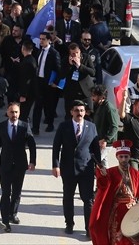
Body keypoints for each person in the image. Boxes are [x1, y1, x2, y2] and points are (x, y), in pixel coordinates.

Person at [89, 140, 139, 245]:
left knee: (132, 238)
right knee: (116, 238)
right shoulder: (111, 172)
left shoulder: (136, 175)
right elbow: (103, 186)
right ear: (117, 157)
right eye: (121, 157)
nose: (124, 159)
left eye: (126, 156)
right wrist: (102, 174)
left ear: (129, 157)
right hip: (116, 212)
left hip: (132, 211)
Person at [51, 99, 100, 236]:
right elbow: (56, 146)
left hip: (86, 168)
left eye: (82, 110)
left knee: (88, 199)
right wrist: (55, 165)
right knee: (68, 197)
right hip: (68, 168)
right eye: (77, 110)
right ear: (71, 112)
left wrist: (99, 166)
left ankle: (89, 228)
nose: (80, 113)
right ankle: (69, 223)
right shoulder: (64, 126)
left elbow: (95, 148)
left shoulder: (91, 127)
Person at [0, 102, 36, 233]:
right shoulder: (1, 126)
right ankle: (5, 220)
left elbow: (32, 145)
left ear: (19, 113)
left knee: (16, 193)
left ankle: (13, 213)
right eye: (11, 112)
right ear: (7, 112)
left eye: (16, 112)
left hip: (20, 165)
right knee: (6, 193)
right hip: (5, 165)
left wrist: (32, 162)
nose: (14, 114)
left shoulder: (24, 126)